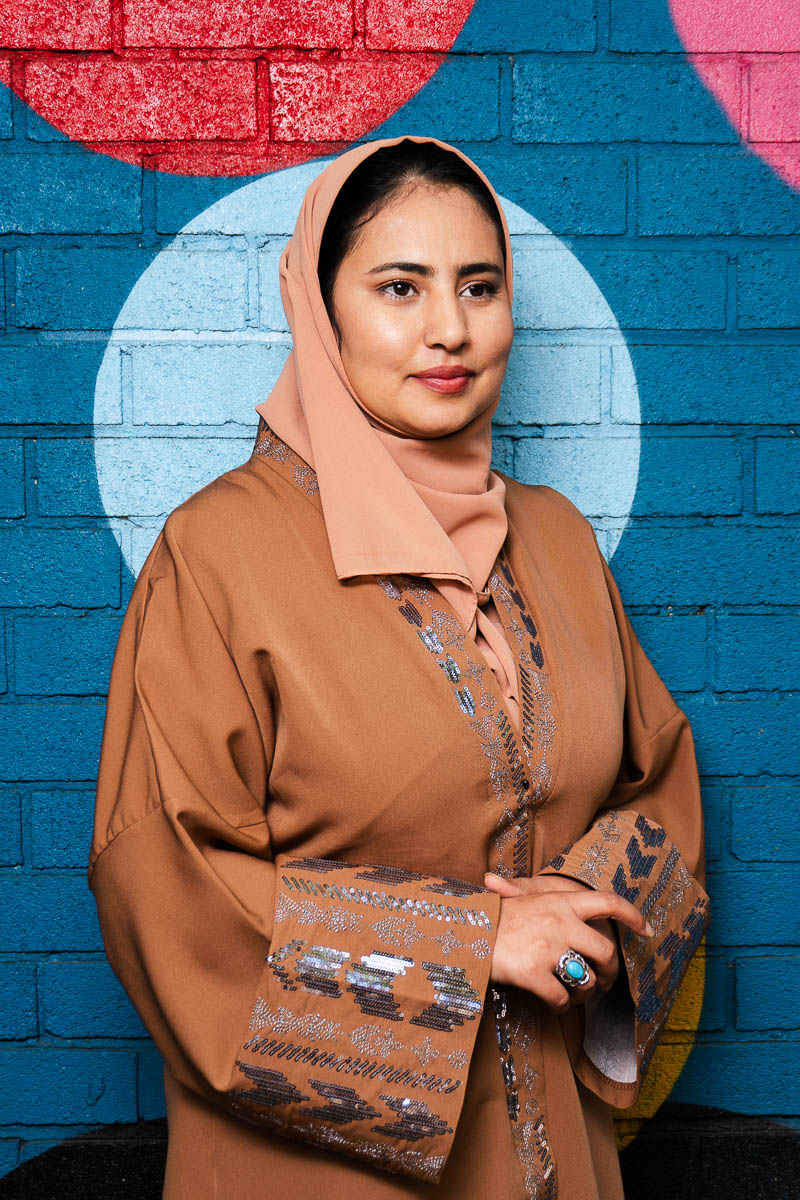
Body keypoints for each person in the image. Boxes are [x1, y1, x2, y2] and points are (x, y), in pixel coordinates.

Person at [88, 134, 710, 1200]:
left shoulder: (554, 541)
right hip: (316, 1172)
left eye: (479, 285)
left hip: (550, 1149)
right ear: (320, 313)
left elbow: (656, 778)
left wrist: (575, 910)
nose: (449, 330)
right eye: (397, 287)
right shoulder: (218, 555)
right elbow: (166, 890)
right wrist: (471, 941)